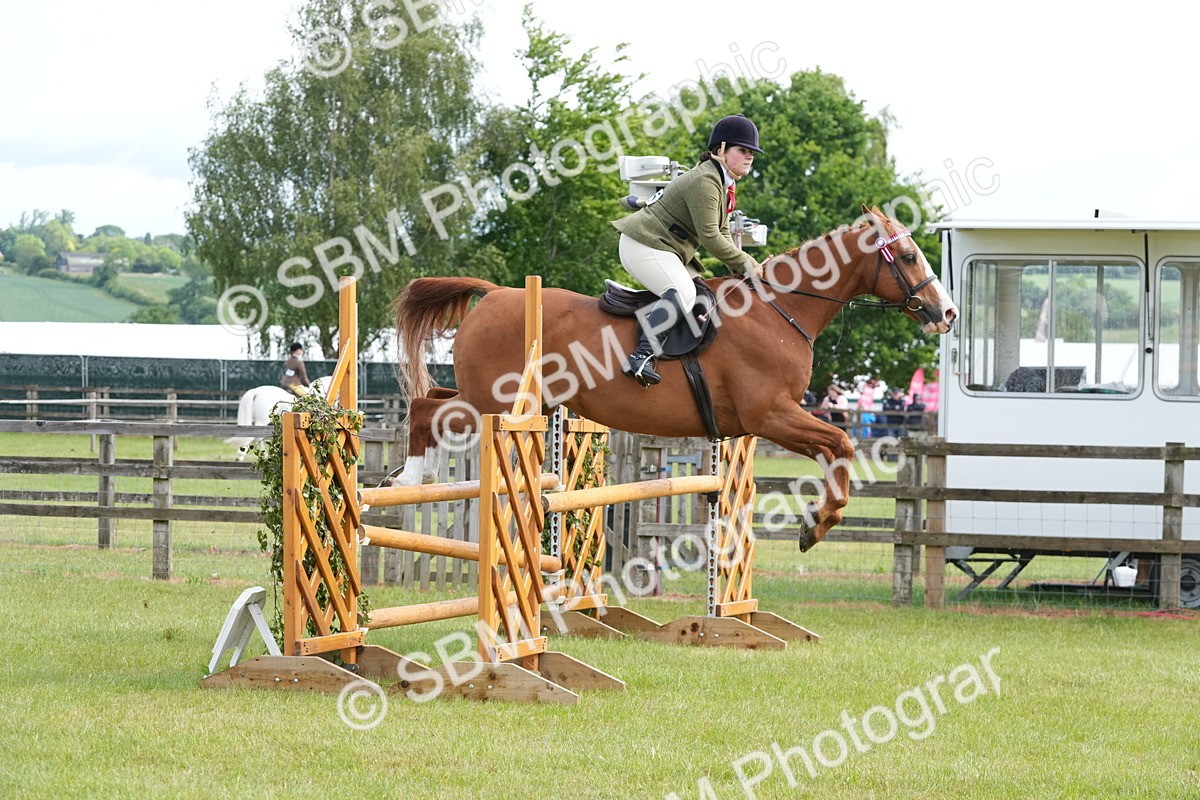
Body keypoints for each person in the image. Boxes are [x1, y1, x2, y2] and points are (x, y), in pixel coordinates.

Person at [611, 114, 767, 386]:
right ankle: (641, 356)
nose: (749, 157)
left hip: (666, 247)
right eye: (742, 150)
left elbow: (723, 231)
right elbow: (709, 236)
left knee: (702, 292)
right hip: (644, 244)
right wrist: (748, 263)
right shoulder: (705, 182)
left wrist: (739, 268)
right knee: (683, 292)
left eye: (751, 152)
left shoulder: (724, 184)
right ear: (720, 149)